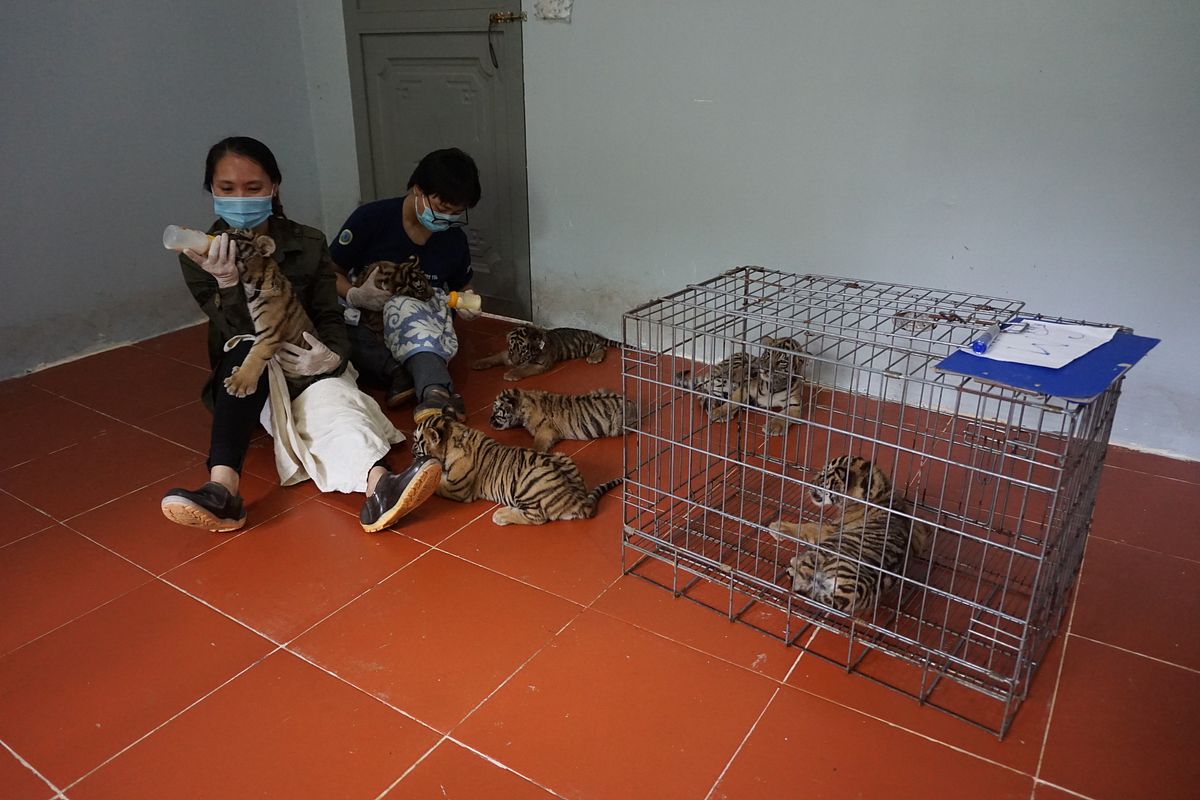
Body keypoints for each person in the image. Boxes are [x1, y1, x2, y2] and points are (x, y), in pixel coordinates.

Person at [160, 136, 440, 533]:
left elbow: (329, 313)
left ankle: (381, 486)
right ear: (212, 191)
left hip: (305, 356)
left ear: (273, 187)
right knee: (245, 352)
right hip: (251, 372)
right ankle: (221, 489)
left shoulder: (307, 242)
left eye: (253, 188)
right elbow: (235, 330)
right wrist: (226, 282)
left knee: (332, 399)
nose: (240, 198)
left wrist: (331, 357)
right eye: (226, 189)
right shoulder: (200, 255)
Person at [330, 148, 481, 422]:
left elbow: (463, 287)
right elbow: (329, 272)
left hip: (420, 324)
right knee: (331, 329)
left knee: (406, 306)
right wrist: (354, 294)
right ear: (417, 190)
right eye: (442, 209)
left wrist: (468, 302)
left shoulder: (453, 239)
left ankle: (435, 392)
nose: (447, 219)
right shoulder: (371, 219)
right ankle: (404, 373)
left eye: (456, 213)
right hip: (366, 322)